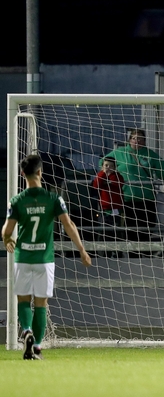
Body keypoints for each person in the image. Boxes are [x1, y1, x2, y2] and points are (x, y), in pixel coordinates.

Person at [3, 154, 92, 360]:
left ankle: (26, 330)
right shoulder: (54, 199)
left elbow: (7, 230)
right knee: (41, 304)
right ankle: (36, 348)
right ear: (41, 172)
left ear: (22, 173)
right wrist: (82, 250)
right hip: (44, 259)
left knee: (23, 300)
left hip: (23, 257)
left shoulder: (16, 200)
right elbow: (68, 225)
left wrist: (8, 239)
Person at [102, 129, 164, 234]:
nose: (137, 141)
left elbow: (163, 170)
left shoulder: (150, 155)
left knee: (145, 231)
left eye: (140, 139)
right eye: (134, 138)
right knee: (128, 231)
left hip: (146, 200)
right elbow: (102, 162)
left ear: (144, 141)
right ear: (129, 140)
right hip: (126, 199)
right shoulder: (119, 153)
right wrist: (108, 174)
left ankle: (144, 250)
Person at [91, 157, 125, 226]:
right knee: (103, 227)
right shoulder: (100, 176)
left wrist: (110, 175)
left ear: (115, 168)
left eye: (111, 166)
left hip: (116, 207)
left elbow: (119, 183)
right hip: (104, 208)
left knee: (116, 227)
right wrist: (103, 174)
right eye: (106, 165)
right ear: (102, 167)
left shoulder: (117, 176)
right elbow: (96, 185)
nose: (108, 168)